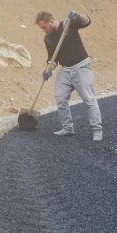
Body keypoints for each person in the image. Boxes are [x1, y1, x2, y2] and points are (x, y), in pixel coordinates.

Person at [35, 9, 103, 141]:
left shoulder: (68, 24)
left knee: (89, 99)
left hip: (81, 67)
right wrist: (49, 69)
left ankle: (97, 129)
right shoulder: (48, 38)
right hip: (66, 69)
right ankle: (67, 128)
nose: (43, 30)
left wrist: (78, 16)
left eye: (44, 27)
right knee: (60, 98)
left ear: (51, 21)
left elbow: (87, 21)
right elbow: (52, 59)